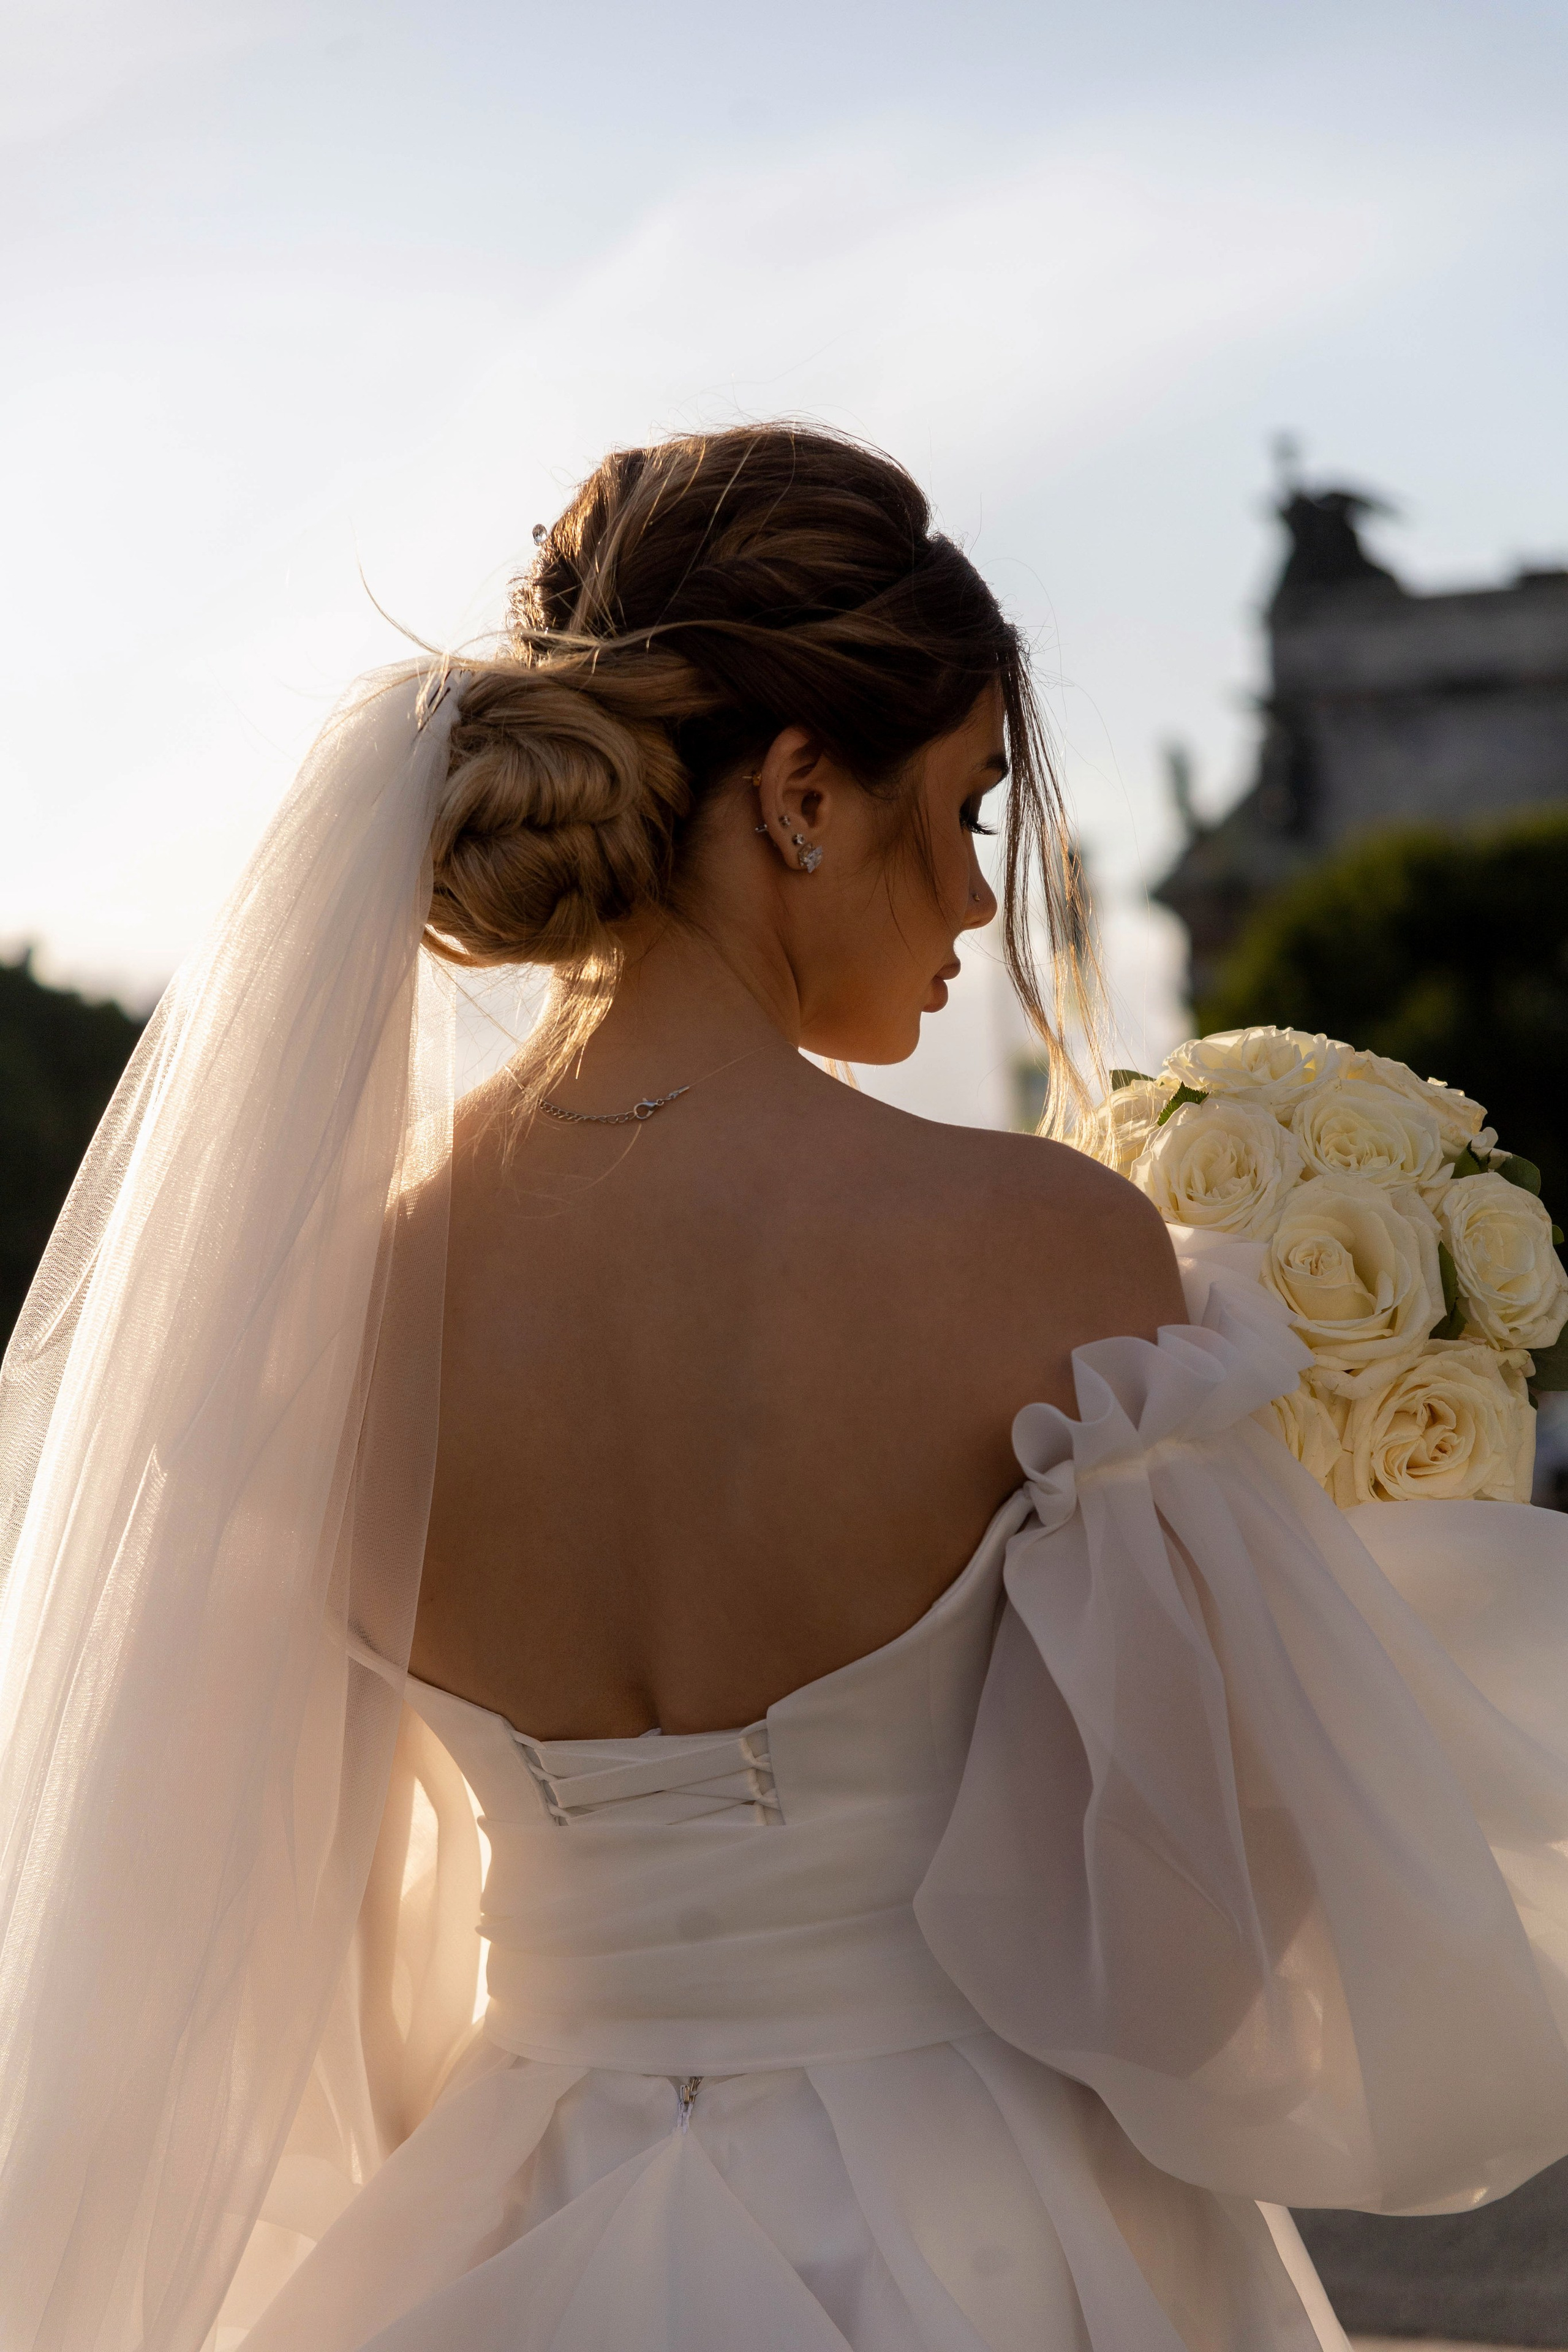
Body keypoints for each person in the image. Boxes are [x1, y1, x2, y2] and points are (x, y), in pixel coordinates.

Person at [4, 426, 1568, 2352]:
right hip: (983, 2235)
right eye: (974, 807)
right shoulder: (1038, 1249)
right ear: (805, 793)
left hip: (501, 2225)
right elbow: (1190, 1976)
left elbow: (259, 1938)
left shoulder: (321, 1322)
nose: (984, 908)